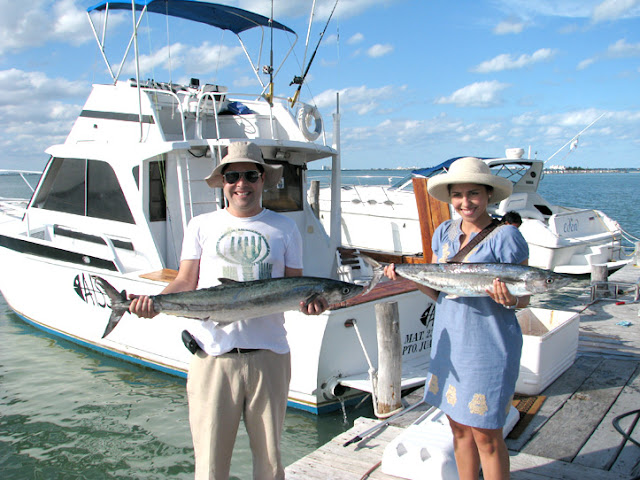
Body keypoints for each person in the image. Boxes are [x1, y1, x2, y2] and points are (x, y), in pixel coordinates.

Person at [128, 141, 328, 480]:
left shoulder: (285, 228)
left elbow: (296, 289)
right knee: (209, 466)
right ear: (222, 182)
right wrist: (155, 303)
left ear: (263, 179)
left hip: (270, 356)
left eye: (250, 175)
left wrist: (312, 305)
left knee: (269, 463)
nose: (241, 184)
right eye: (232, 176)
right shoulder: (201, 225)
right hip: (213, 358)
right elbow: (185, 280)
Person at [384, 157, 529, 480]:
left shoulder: (507, 237)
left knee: (487, 437)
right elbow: (440, 292)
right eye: (458, 195)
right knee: (459, 429)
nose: (466, 202)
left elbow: (525, 296)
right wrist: (405, 277)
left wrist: (512, 299)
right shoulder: (443, 233)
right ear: (450, 198)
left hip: (489, 347)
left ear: (489, 195)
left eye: (474, 193)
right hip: (450, 343)